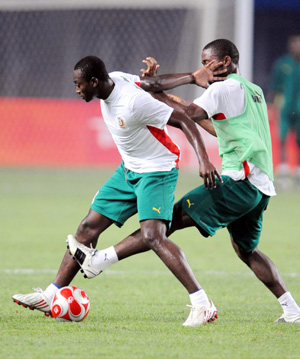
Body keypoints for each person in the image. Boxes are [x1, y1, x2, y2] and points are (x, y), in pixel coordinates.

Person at [66, 39, 300, 324]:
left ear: (224, 63)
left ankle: (100, 260)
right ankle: (292, 310)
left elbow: (184, 114)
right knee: (246, 250)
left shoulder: (222, 88)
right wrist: (165, 97)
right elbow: (218, 129)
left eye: (207, 63)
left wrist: (162, 87)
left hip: (239, 180)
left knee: (165, 222)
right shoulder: (254, 90)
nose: (203, 70)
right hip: (260, 186)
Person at [12, 55, 225, 326]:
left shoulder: (133, 103)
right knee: (87, 228)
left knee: (154, 237)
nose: (76, 90)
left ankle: (202, 304)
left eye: (79, 85)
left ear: (93, 81)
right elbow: (149, 83)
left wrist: (204, 160)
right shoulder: (117, 79)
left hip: (157, 170)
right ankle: (52, 294)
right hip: (129, 169)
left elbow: (183, 118)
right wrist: (189, 76)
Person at [268, 34, 300, 186]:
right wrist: (271, 104)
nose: (297, 47)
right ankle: (283, 167)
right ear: (290, 46)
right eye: (295, 44)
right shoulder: (282, 64)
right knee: (282, 136)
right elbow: (274, 85)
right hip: (285, 106)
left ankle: (298, 169)